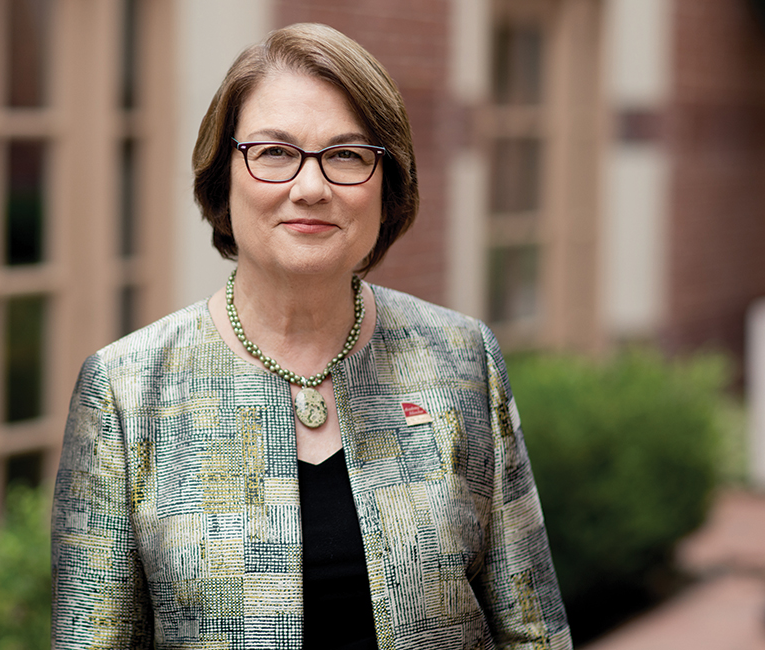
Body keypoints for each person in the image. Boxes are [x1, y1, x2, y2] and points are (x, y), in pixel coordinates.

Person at [52, 22, 571, 650]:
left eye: (346, 155)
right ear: (223, 177)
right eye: (274, 152)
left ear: (388, 185)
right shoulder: (125, 391)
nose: (310, 188)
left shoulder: (461, 360)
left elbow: (533, 632)